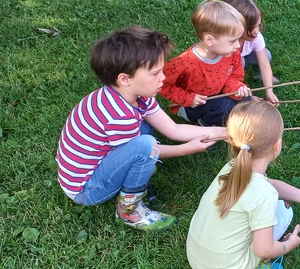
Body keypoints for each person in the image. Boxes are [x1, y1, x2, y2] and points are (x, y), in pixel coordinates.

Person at [56, 26, 227, 231]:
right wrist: (185, 149)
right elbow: (148, 149)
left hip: (97, 163)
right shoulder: (119, 115)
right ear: (125, 78)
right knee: (146, 146)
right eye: (155, 73)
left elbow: (172, 129)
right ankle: (129, 211)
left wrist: (223, 132)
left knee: (146, 137)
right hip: (87, 188)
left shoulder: (135, 96)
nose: (163, 78)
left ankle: (139, 169)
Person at [186, 98, 300, 269]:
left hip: (198, 259)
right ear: (277, 146)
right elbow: (264, 250)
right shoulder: (264, 195)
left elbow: (268, 183)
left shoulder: (232, 167)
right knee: (285, 211)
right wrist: (289, 244)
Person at [159, 0, 253, 126]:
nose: (238, 45)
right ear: (209, 40)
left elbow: (235, 76)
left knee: (244, 98)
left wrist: (236, 88)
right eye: (232, 41)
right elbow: (161, 84)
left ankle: (228, 118)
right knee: (224, 105)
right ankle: (205, 125)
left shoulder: (232, 53)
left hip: (216, 95)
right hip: (192, 106)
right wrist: (188, 98)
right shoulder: (184, 63)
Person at [223, 0, 281, 106]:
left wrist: (269, 91)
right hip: (230, 66)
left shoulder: (256, 36)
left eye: (258, 25)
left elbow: (264, 63)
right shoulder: (226, 44)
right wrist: (246, 95)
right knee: (240, 62)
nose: (256, 31)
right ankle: (241, 88)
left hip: (244, 58)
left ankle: (258, 75)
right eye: (252, 27)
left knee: (267, 55)